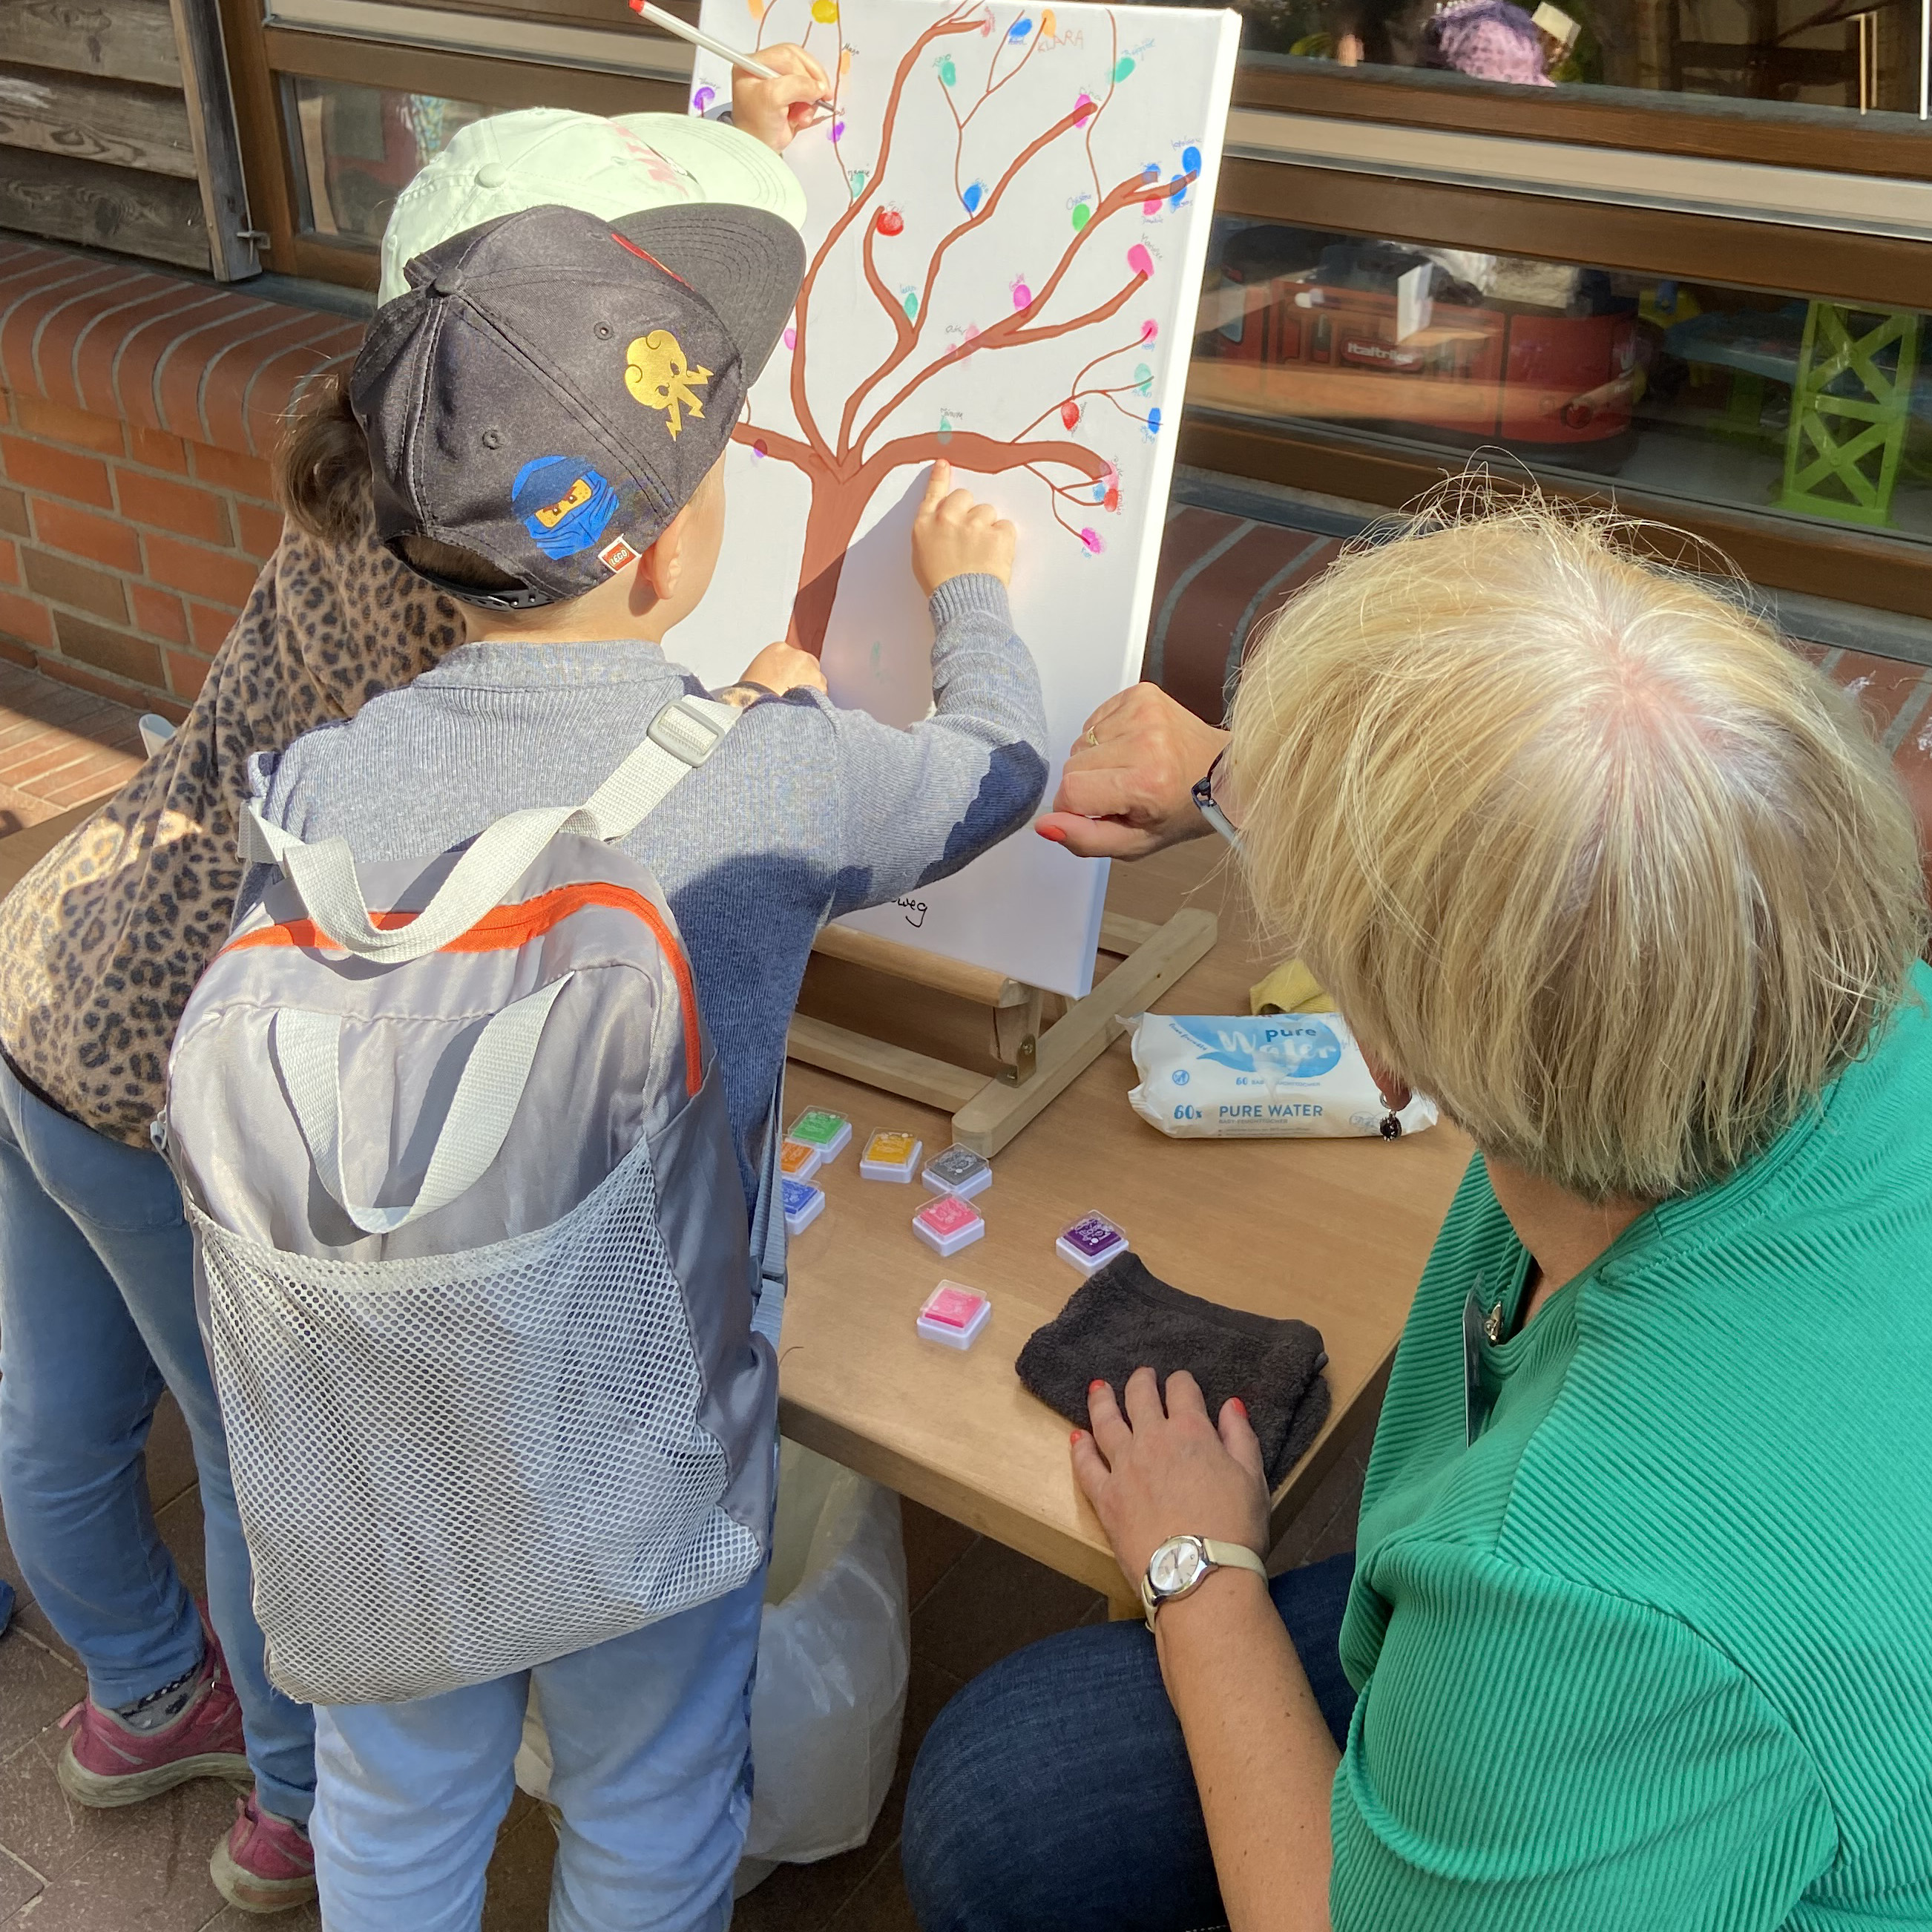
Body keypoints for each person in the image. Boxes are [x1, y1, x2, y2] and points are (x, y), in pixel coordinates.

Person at [0, 63, 835, 1914]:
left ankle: (143, 1697)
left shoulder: (401, 441)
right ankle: (287, 1797)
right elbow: (656, 439)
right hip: (194, 1085)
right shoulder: (507, 580)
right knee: (272, 1457)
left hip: (56, 980)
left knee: (57, 1421)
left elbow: (630, 390)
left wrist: (768, 157)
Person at [902, 498, 1932, 1931]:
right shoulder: (1837, 993)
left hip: (1635, 1689)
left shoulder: (1584, 1586)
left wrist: (1201, 1568)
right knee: (1017, 1791)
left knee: (999, 1814)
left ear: (1383, 1053)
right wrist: (1223, 774)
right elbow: (1569, 848)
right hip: (1733, 1674)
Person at [240, 182, 1041, 1928]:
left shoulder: (326, 776)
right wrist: (970, 593)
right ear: (668, 551)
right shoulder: (773, 777)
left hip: (363, 1430)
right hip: (631, 1445)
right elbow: (1000, 773)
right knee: (653, 1801)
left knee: (394, 1802)